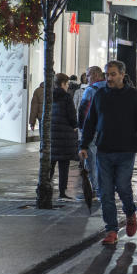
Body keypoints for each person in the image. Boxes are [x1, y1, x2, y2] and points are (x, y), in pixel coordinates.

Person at [79, 61, 137, 245]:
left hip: (126, 150)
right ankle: (111, 230)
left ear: (122, 74)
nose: (109, 78)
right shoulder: (100, 95)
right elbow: (90, 122)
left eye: (113, 74)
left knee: (122, 186)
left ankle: (130, 213)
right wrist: (84, 145)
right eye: (107, 74)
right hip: (104, 150)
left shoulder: (133, 96)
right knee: (105, 192)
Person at [49, 72, 79, 200]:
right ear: (62, 84)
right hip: (64, 136)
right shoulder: (66, 97)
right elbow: (72, 116)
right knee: (64, 165)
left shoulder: (49, 96)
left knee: (50, 163)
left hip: (51, 134)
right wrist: (75, 126)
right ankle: (62, 191)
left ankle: (46, 186)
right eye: (66, 84)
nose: (67, 86)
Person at [78, 66, 107, 188]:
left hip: (92, 130)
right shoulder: (109, 88)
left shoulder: (90, 90)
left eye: (88, 75)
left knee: (92, 160)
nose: (86, 78)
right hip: (106, 130)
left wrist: (81, 128)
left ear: (95, 75)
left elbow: (83, 111)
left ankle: (96, 187)